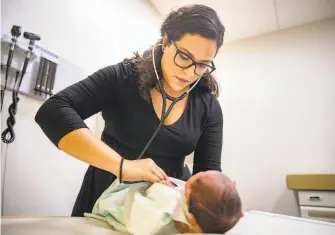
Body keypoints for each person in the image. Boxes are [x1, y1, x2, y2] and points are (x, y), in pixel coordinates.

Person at [35, 4, 226, 217]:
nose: (190, 72)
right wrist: (122, 166)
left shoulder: (208, 106)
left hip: (163, 210)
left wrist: (218, 207)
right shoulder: (123, 77)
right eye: (184, 57)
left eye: (202, 65)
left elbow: (208, 177)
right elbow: (53, 111)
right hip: (106, 195)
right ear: (165, 41)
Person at [84, 171, 242, 234]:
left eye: (200, 178)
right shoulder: (205, 216)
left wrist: (155, 188)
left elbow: (142, 219)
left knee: (113, 203)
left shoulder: (167, 202)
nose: (200, 172)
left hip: (128, 211)